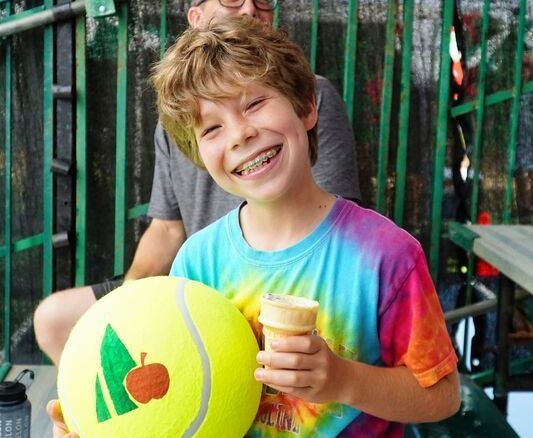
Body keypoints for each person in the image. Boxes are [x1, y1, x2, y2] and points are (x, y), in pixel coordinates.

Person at [49, 15, 459, 437]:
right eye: (212, 128)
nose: (240, 135)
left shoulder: (387, 255)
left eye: (255, 103)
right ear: (199, 155)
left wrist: (343, 380)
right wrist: (97, 424)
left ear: (307, 107)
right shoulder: (198, 260)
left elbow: (443, 394)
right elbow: (171, 395)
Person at [33, 0, 361, 367]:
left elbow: (337, 219)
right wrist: (130, 301)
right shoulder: (178, 118)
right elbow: (167, 230)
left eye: (263, 2)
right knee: (54, 319)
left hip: (258, 287)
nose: (251, 9)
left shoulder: (307, 95)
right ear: (196, 17)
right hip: (193, 279)